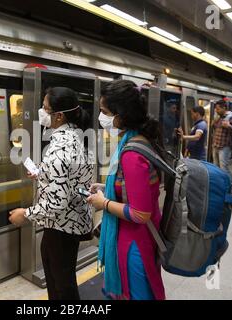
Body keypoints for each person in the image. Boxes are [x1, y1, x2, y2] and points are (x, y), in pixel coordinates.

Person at [9, 87, 93, 300]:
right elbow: (71, 176)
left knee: (62, 286)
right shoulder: (75, 135)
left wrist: (25, 213)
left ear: (59, 116)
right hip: (69, 223)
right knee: (62, 279)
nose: (41, 112)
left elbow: (57, 203)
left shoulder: (60, 148)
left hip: (61, 227)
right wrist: (44, 173)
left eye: (45, 108)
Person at [87, 80, 165, 300]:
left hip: (134, 245)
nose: (101, 117)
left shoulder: (131, 154)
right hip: (137, 239)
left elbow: (141, 214)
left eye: (104, 112)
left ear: (121, 115)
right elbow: (132, 185)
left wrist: (104, 204)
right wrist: (107, 188)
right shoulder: (136, 139)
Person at [212, 100, 232, 194]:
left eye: (218, 108)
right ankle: (220, 186)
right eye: (215, 108)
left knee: (225, 168)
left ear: (224, 108)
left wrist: (229, 126)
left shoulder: (231, 117)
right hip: (216, 145)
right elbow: (216, 127)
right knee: (217, 168)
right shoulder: (219, 117)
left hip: (224, 147)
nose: (216, 110)